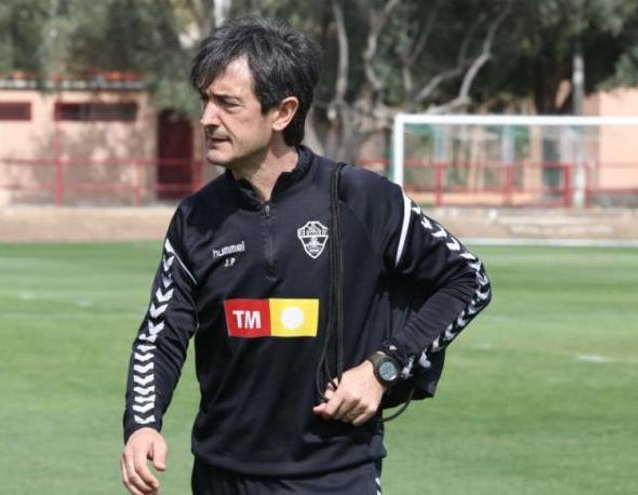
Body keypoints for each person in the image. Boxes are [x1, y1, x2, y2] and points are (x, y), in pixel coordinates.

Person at [120, 15, 491, 495]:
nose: (207, 118)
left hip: (335, 478)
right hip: (222, 478)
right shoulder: (195, 218)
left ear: (282, 112)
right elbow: (161, 335)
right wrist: (143, 424)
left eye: (227, 104)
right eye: (205, 101)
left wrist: (383, 367)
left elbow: (468, 280)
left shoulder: (361, 199)